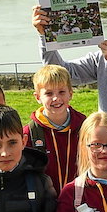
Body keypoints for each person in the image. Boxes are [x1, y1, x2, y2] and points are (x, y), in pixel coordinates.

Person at [27, 64, 87, 193]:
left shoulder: (85, 127)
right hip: (44, 203)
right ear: (37, 97)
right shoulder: (29, 133)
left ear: (70, 94)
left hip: (81, 200)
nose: (56, 98)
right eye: (49, 93)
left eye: (62, 92)